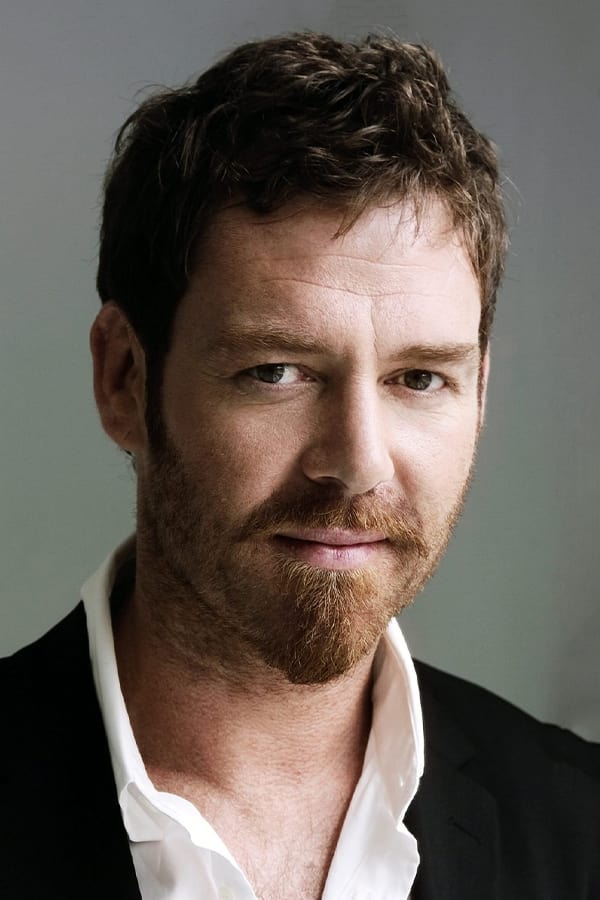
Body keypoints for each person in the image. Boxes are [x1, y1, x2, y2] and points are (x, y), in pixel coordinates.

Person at [1, 31, 598, 900]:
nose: (357, 463)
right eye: (275, 372)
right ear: (124, 377)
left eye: (419, 378)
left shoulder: (581, 828)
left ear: (479, 394)